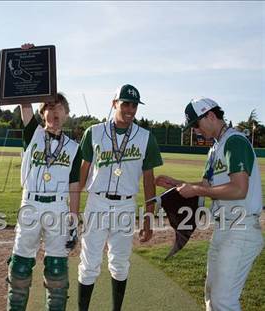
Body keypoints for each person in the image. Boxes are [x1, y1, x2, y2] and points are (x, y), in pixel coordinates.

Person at [156, 97, 263, 311]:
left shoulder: (235, 141)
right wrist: (179, 184)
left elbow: (239, 189)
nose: (194, 130)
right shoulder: (215, 148)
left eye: (196, 124)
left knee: (223, 301)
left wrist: (195, 190)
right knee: (212, 297)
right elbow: (207, 185)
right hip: (224, 228)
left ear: (211, 115)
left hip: (240, 230)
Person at [6, 43, 82, 311]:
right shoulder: (33, 135)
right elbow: (24, 100)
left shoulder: (74, 147)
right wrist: (27, 58)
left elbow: (75, 185)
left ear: (67, 114)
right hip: (30, 205)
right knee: (20, 265)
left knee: (57, 268)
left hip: (59, 208)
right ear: (42, 114)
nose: (55, 111)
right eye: (49, 106)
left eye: (60, 106)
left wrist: (74, 218)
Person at [77, 84, 163, 311]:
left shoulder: (146, 137)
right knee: (89, 264)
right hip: (97, 202)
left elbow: (148, 180)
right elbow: (82, 171)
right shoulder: (93, 132)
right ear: (114, 103)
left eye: (134, 105)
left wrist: (148, 218)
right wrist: (73, 209)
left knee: (120, 264)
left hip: (126, 205)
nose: (131, 109)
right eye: (126, 103)